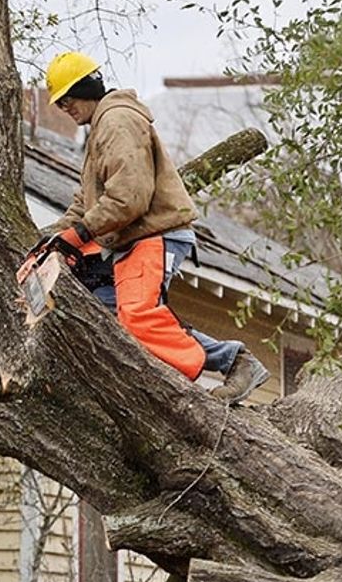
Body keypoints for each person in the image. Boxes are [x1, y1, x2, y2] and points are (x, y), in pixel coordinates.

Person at [30, 51, 269, 403]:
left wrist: (80, 235)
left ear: (83, 88)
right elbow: (86, 204)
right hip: (129, 240)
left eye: (66, 100)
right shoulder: (100, 131)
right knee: (108, 310)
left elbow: (130, 198)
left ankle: (233, 362)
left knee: (138, 316)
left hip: (155, 235)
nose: (64, 108)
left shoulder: (117, 121)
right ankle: (197, 373)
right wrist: (51, 240)